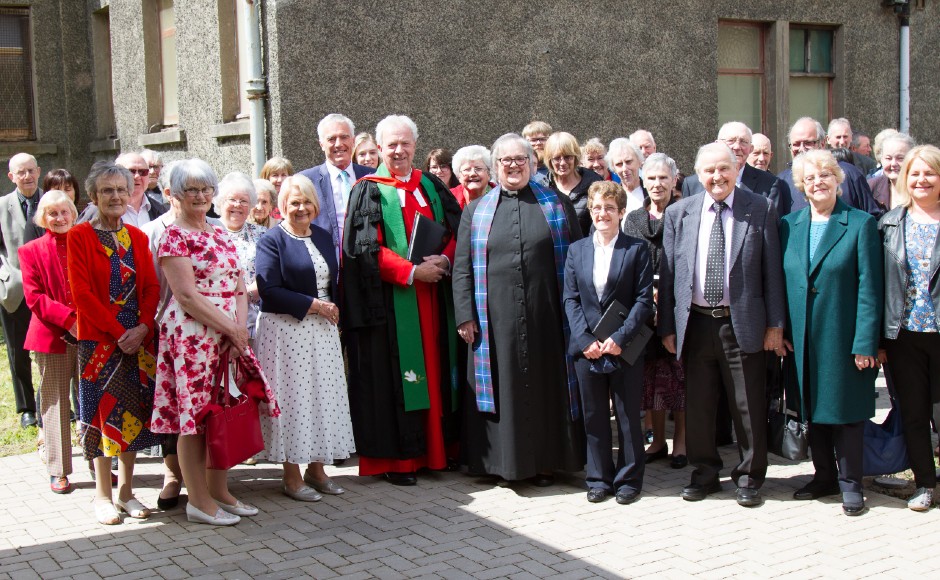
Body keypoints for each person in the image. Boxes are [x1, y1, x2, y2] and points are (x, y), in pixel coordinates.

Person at [453, 132, 585, 485]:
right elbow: (462, 266)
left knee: (546, 388)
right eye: (505, 161)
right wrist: (465, 314)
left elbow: (576, 261)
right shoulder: (476, 210)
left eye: (520, 159)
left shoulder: (557, 204)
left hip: (548, 316)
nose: (513, 166)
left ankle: (545, 462)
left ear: (532, 163)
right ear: (495, 167)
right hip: (493, 319)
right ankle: (500, 463)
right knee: (501, 388)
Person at [151, 158, 277, 526]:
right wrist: (230, 329)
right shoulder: (173, 236)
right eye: (192, 189)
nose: (201, 196)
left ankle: (219, 490)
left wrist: (236, 330)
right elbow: (187, 296)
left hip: (225, 335)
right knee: (194, 420)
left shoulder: (220, 231)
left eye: (206, 189)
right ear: (175, 195)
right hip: (192, 336)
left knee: (220, 413)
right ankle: (199, 501)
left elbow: (238, 284)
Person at [658, 142, 785, 507]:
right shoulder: (679, 213)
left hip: (741, 323)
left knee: (747, 404)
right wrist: (668, 327)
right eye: (710, 170)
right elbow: (669, 277)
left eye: (724, 169)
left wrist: (775, 326)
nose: (717, 176)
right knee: (698, 405)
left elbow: (772, 273)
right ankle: (705, 474)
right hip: (695, 325)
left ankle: (749, 476)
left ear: (735, 170)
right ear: (698, 174)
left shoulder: (759, 209)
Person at [342, 114, 462, 486]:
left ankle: (438, 453)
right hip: (395, 305)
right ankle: (402, 460)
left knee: (439, 371)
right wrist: (411, 272)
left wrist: (444, 259)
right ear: (379, 148)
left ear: (416, 146)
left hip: (436, 298)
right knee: (401, 376)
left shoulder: (432, 185)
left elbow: (458, 230)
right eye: (391, 144)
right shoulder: (369, 189)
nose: (398, 150)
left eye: (405, 143)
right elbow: (363, 250)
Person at [780, 149, 883, 516]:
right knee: (812, 408)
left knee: (847, 412)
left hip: (842, 335)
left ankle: (851, 484)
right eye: (809, 178)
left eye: (825, 175)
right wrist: (780, 330)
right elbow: (780, 282)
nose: (817, 182)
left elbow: (870, 287)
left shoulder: (859, 224)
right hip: (802, 337)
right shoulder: (788, 225)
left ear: (838, 180)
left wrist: (865, 342)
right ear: (801, 186)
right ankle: (823, 476)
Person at [67, 162, 162, 524]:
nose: (116, 196)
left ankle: (127, 493)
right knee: (101, 414)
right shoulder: (80, 236)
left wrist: (141, 328)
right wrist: (118, 332)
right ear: (93, 196)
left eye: (121, 190)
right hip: (99, 341)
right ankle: (103, 496)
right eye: (107, 191)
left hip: (137, 342)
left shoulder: (137, 238)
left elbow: (151, 288)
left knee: (133, 414)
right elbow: (83, 294)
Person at [255, 174, 355, 501]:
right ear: (282, 206)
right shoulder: (271, 240)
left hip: (322, 332)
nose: (301, 208)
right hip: (286, 332)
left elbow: (333, 282)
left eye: (306, 201)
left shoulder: (324, 237)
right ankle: (291, 475)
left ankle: (317, 469)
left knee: (321, 399)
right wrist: (314, 305)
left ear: (316, 205)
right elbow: (268, 290)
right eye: (294, 202)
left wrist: (334, 311)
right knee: (292, 401)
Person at [563, 181, 654, 503]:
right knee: (594, 416)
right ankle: (599, 479)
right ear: (590, 210)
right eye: (597, 207)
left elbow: (644, 301)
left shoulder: (636, 249)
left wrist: (619, 338)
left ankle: (628, 480)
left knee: (629, 415)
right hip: (586, 350)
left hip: (624, 347)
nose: (603, 213)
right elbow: (571, 300)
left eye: (609, 208)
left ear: (621, 212)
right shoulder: (577, 251)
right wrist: (585, 339)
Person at [878, 144, 940, 512]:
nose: (921, 180)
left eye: (929, 173)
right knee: (914, 412)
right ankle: (925, 484)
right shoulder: (889, 224)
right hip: (904, 335)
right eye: (915, 173)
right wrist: (878, 340)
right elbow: (879, 287)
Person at [623, 153, 687, 468]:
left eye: (663, 178)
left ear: (674, 180)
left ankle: (682, 443)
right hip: (645, 307)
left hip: (678, 305)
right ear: (643, 181)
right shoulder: (634, 219)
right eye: (651, 178)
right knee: (652, 377)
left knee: (680, 375)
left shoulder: (685, 213)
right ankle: (658, 440)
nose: (657, 184)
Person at [18, 190, 79, 494]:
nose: (59, 218)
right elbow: (34, 297)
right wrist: (71, 320)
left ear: (73, 213)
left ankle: (100, 463)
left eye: (64, 211)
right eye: (52, 213)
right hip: (51, 336)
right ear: (42, 217)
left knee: (92, 400)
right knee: (55, 402)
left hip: (91, 335)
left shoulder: (87, 243)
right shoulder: (30, 250)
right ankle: (58, 469)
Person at [2, 152, 45, 429]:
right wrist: (5, 276)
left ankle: (54, 403)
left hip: (47, 289)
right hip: (15, 288)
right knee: (18, 350)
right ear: (12, 177)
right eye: (21, 172)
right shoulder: (2, 205)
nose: (27, 176)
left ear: (39, 171)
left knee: (53, 351)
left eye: (31, 170)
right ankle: (27, 407)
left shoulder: (52, 201)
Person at [298, 114, 376, 253]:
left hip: (367, 262)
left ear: (352, 141)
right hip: (325, 262)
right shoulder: (306, 180)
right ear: (321, 144)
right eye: (331, 139)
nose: (339, 144)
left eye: (344, 137)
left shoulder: (373, 176)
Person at [779, 118, 882, 218]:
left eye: (808, 143)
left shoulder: (849, 174)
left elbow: (871, 216)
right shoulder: (783, 181)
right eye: (796, 144)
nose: (801, 148)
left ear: (822, 143)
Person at [684, 122, 790, 218]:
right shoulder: (692, 184)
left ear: (751, 148)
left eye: (743, 142)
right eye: (731, 141)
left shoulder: (769, 183)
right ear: (717, 144)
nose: (737, 146)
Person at [215, 172, 266, 342]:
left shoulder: (262, 234)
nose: (238, 205)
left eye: (243, 201)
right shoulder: (208, 233)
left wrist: (246, 296)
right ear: (221, 201)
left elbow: (269, 272)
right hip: (217, 316)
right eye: (232, 199)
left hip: (256, 320)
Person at [79, 152, 168, 227]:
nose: (137, 176)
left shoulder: (159, 210)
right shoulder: (95, 210)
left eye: (143, 172)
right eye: (131, 171)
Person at [545, 132, 603, 235]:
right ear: (550, 160)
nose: (562, 163)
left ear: (575, 157)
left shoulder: (595, 185)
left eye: (567, 157)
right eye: (557, 158)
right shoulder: (542, 188)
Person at [868, 133, 916, 211]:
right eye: (888, 158)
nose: (893, 164)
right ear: (881, 160)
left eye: (900, 158)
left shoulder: (920, 187)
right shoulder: (871, 187)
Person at [607, 138, 646, 215]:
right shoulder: (610, 197)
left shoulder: (652, 192)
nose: (625, 168)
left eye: (628, 162)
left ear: (639, 161)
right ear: (613, 169)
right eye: (619, 164)